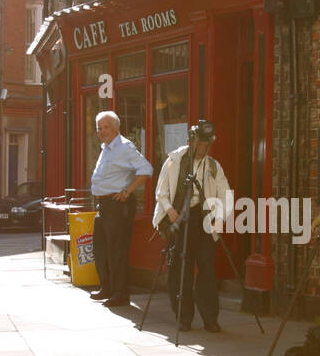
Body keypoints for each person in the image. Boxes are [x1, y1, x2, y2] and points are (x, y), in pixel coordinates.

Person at [153, 119, 230, 332]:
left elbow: (226, 194)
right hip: (180, 218)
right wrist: (169, 210)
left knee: (206, 268)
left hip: (204, 219)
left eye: (206, 145)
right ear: (191, 140)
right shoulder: (174, 161)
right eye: (199, 143)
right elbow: (161, 192)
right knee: (180, 269)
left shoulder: (214, 166)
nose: (202, 148)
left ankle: (210, 318)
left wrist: (219, 218)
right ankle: (183, 317)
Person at [89, 110, 152, 308]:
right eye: (99, 128)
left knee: (117, 250)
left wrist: (127, 191)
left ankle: (120, 294)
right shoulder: (106, 148)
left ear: (116, 128)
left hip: (117, 205)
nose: (101, 131)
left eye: (105, 127)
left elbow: (146, 169)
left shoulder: (124, 147)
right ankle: (107, 287)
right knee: (100, 247)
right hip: (103, 204)